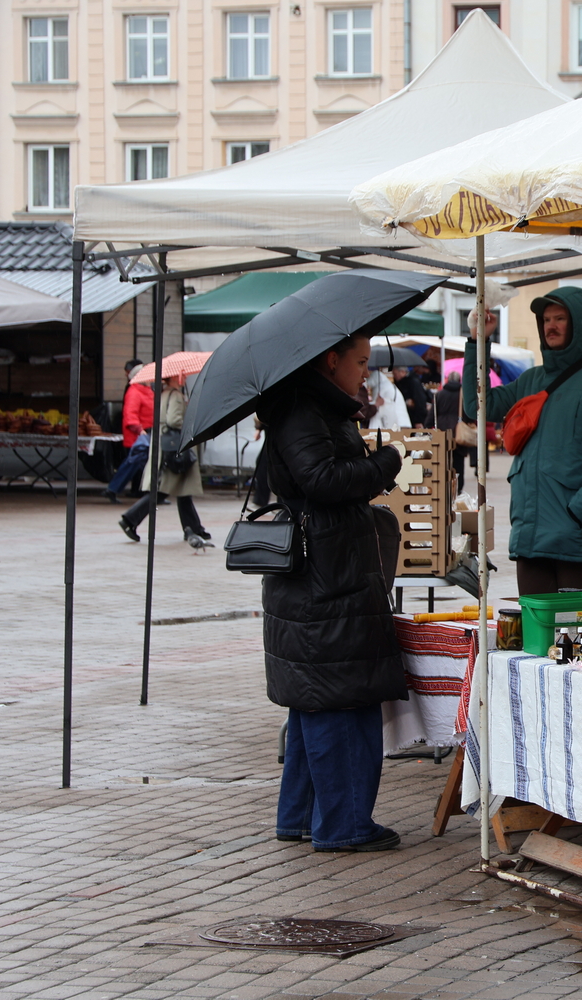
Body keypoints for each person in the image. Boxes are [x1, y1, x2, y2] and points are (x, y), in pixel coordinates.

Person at [256, 333, 406, 852]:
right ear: (330, 359)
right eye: (360, 362)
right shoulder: (303, 410)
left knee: (315, 699)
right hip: (326, 576)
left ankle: (300, 815)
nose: (365, 372)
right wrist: (385, 464)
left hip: (321, 572)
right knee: (341, 697)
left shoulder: (311, 407)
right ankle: (343, 824)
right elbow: (322, 479)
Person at [465, 287, 582, 595]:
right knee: (536, 634)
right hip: (530, 536)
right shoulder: (531, 380)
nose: (550, 325)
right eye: (546, 319)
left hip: (579, 539)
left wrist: (575, 512)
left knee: (578, 636)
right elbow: (477, 405)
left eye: (560, 318)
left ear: (581, 323)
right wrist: (477, 342)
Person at [117, 374, 213, 548]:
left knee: (183, 489)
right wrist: (188, 415)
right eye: (180, 376)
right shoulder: (176, 395)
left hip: (164, 445)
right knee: (162, 489)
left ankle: (193, 528)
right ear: (174, 378)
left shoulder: (163, 394)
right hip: (175, 447)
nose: (183, 378)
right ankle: (130, 519)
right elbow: (174, 420)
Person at [105, 359, 153, 502]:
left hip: (146, 434)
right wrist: (139, 430)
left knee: (136, 465)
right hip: (141, 435)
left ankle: (113, 489)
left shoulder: (146, 391)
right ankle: (112, 489)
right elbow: (130, 414)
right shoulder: (135, 391)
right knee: (134, 464)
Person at [433, 372, 471, 492]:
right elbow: (469, 416)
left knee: (443, 461)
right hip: (458, 432)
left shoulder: (439, 395)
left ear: (448, 380)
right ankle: (458, 487)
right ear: (460, 380)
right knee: (459, 462)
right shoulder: (463, 396)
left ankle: (444, 486)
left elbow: (432, 416)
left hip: (442, 432)